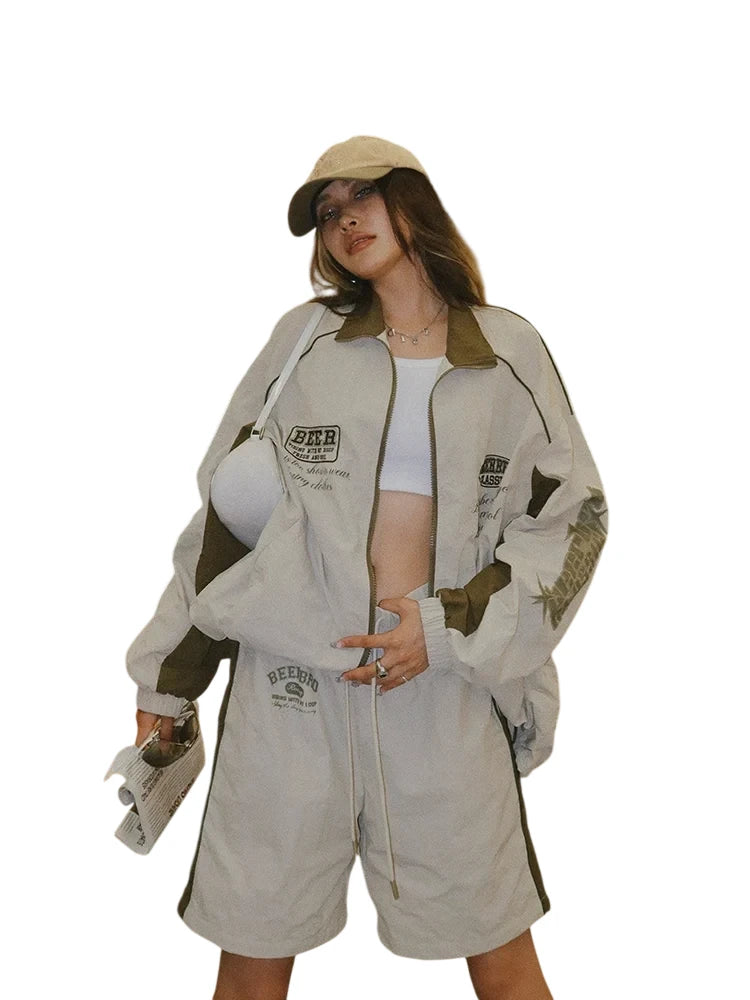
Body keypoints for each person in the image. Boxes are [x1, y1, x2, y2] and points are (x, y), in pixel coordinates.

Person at [126, 135, 608, 1000]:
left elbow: (573, 522)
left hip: (442, 689)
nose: (344, 220)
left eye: (362, 198)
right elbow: (228, 520)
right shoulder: (303, 343)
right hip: (290, 693)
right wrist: (169, 682)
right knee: (252, 959)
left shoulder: (507, 351)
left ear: (412, 202)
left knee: (502, 960)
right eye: (327, 212)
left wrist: (449, 627)